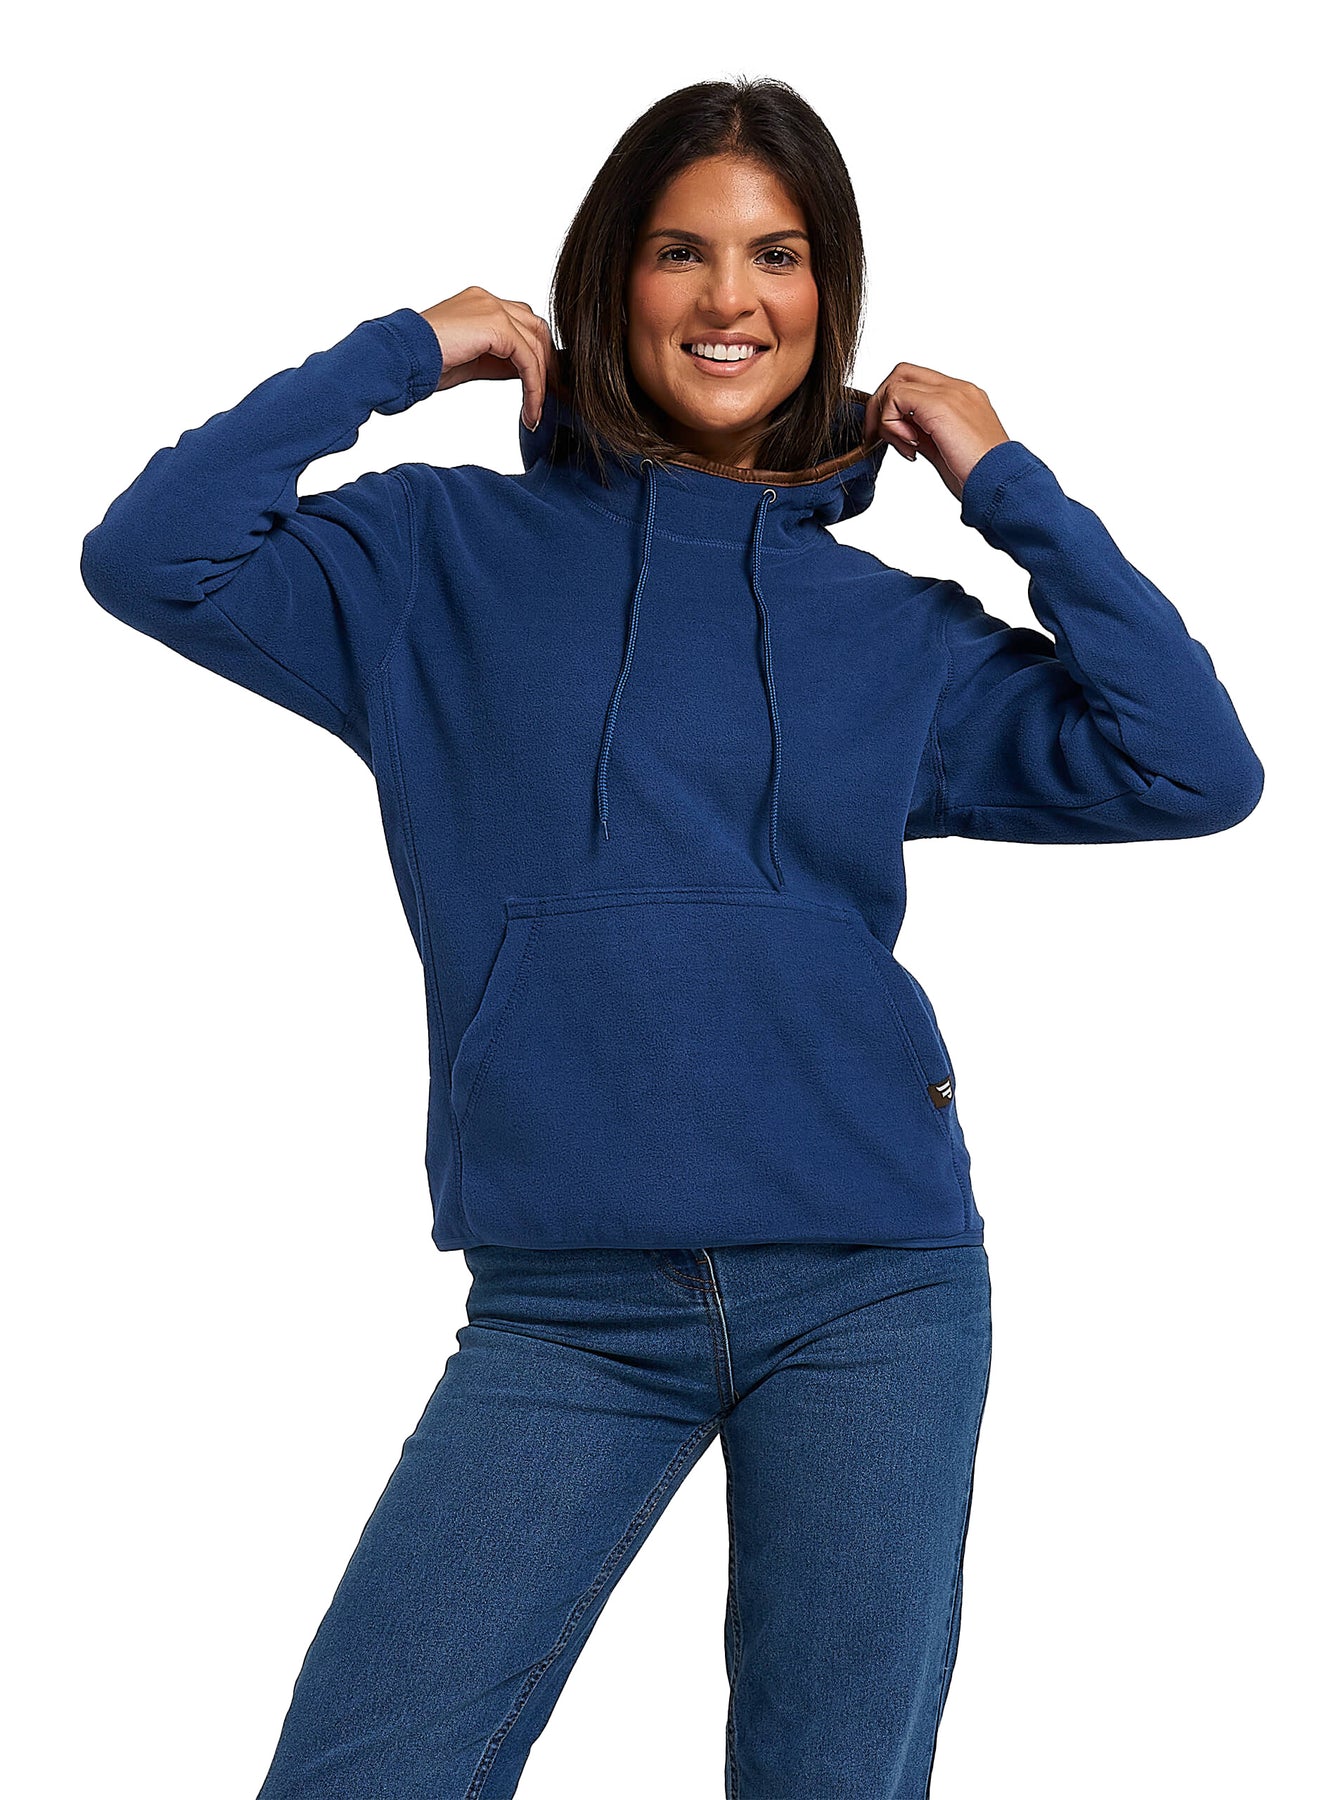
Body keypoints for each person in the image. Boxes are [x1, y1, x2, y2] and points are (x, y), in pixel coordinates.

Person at [80, 75, 1263, 1800]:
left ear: (827, 293)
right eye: (679, 252)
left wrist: (1009, 484)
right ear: (608, 280)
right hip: (567, 1300)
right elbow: (150, 558)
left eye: (777, 257)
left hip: (875, 1279)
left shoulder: (894, 631)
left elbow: (1193, 768)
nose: (730, 299)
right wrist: (404, 351)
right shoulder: (434, 558)